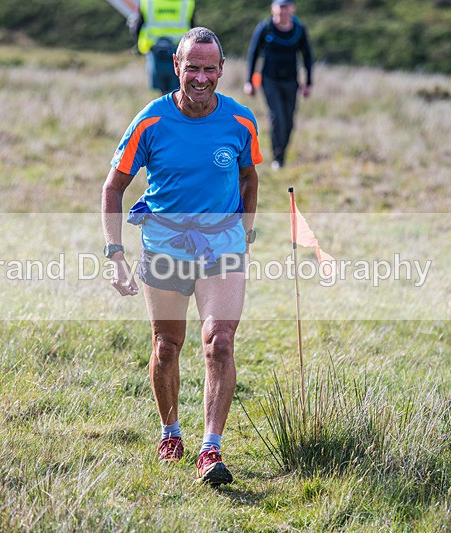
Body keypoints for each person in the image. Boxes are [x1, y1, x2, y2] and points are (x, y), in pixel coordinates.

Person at [101, 27, 262, 485]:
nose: (201, 77)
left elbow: (250, 178)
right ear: (176, 66)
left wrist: (244, 231)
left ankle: (210, 449)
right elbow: (113, 187)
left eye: (210, 68)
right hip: (165, 247)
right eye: (193, 67)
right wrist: (115, 253)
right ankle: (170, 431)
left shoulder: (240, 120)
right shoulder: (151, 121)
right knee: (166, 346)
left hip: (222, 247)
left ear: (222, 70)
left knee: (221, 342)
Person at [244, 0, 313, 170]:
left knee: (289, 121)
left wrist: (308, 82)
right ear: (273, 8)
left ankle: (282, 155)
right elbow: (253, 54)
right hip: (269, 80)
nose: (282, 11)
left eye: (286, 7)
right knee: (277, 117)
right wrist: (249, 81)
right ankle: (277, 158)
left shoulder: (299, 30)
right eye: (280, 7)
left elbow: (307, 56)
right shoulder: (265, 28)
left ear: (292, 9)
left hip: (291, 81)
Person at [133, 0, 196, 95]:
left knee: (162, 92)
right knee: (179, 89)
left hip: (155, 50)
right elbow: (193, 27)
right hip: (180, 50)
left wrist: (137, 43)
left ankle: (164, 107)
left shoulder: (147, 2)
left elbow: (137, 26)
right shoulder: (187, 2)